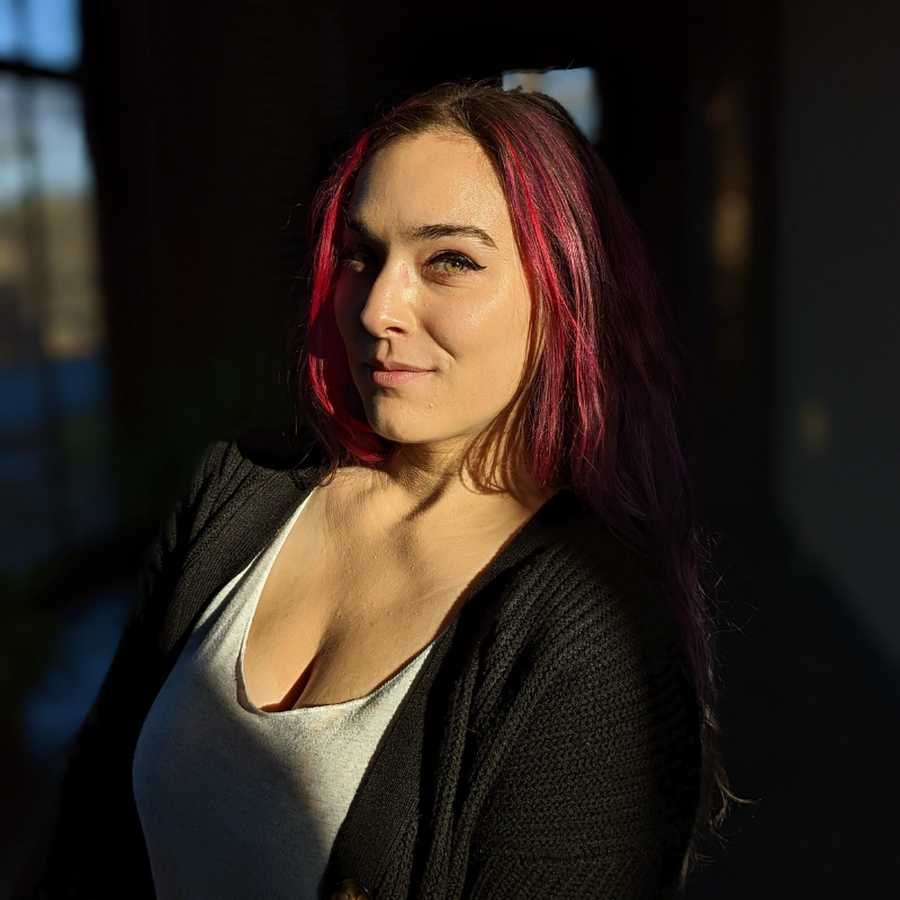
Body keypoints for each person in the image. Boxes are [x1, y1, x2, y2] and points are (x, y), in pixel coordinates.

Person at [18, 82, 724, 900]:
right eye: (361, 254)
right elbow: (90, 828)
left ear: (570, 294)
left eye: (450, 261)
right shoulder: (236, 490)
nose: (377, 308)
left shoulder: (589, 644)